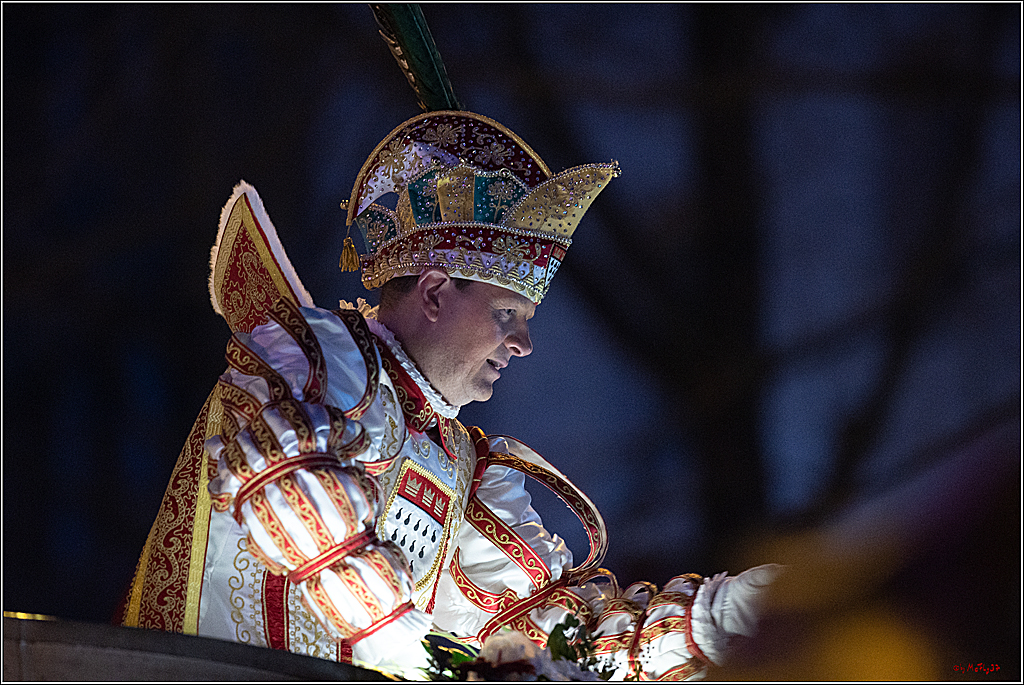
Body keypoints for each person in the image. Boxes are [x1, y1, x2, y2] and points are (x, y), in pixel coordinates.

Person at [120, 110, 778, 680]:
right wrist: (408, 642)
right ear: (434, 293)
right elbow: (280, 474)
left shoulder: (464, 466)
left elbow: (548, 637)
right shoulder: (316, 358)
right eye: (505, 314)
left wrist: (717, 619)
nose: (522, 343)